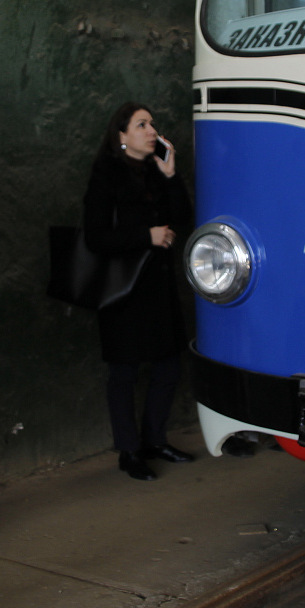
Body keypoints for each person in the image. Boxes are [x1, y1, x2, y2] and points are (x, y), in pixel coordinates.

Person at [83, 103, 196, 481]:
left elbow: (183, 217)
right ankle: (129, 451)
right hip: (123, 292)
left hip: (158, 288)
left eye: (152, 124)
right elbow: (96, 237)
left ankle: (154, 440)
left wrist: (170, 175)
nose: (152, 131)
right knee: (124, 373)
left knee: (168, 367)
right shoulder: (105, 177)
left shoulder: (155, 172)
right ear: (121, 136)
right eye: (141, 124)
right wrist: (145, 236)